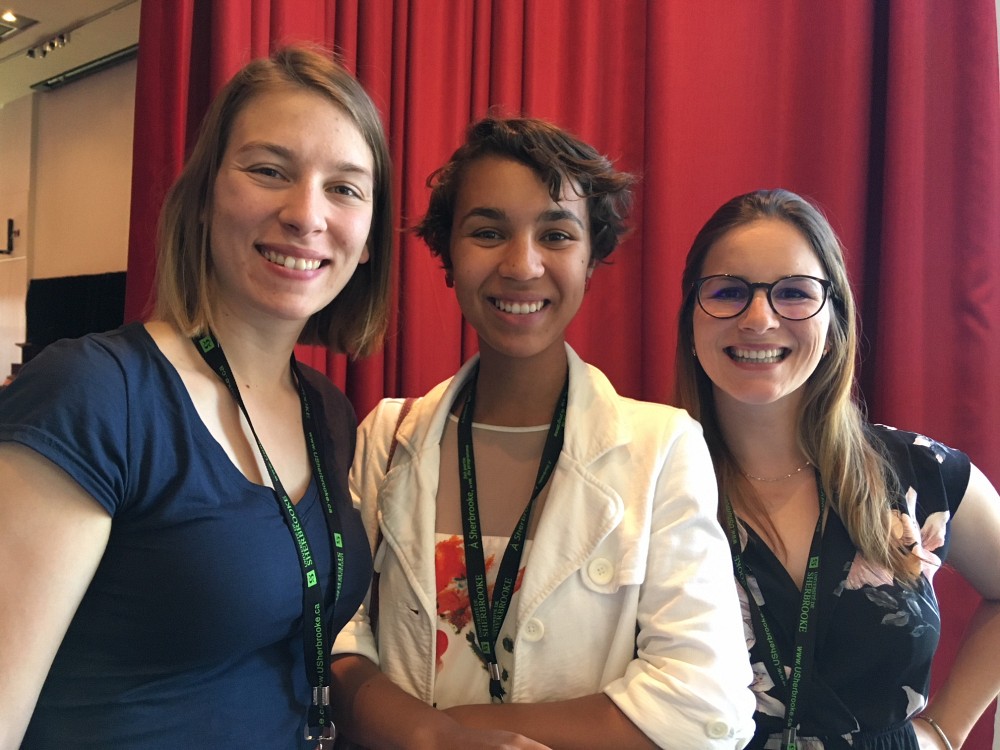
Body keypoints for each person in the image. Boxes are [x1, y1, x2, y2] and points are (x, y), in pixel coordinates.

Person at [0, 46, 393, 749]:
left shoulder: (327, 412)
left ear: (367, 240)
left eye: (344, 188)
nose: (306, 214)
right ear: (205, 193)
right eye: (269, 170)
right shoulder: (94, 394)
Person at [328, 116, 756, 749]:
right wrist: (428, 736)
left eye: (555, 234)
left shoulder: (660, 448)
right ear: (448, 254)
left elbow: (705, 710)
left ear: (590, 258)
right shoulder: (388, 436)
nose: (522, 265)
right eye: (488, 231)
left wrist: (445, 731)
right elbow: (339, 637)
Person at [673, 188, 1000, 749]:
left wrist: (944, 732)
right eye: (728, 292)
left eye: (794, 294)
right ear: (692, 321)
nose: (759, 318)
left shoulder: (922, 472)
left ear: (835, 321)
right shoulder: (644, 480)